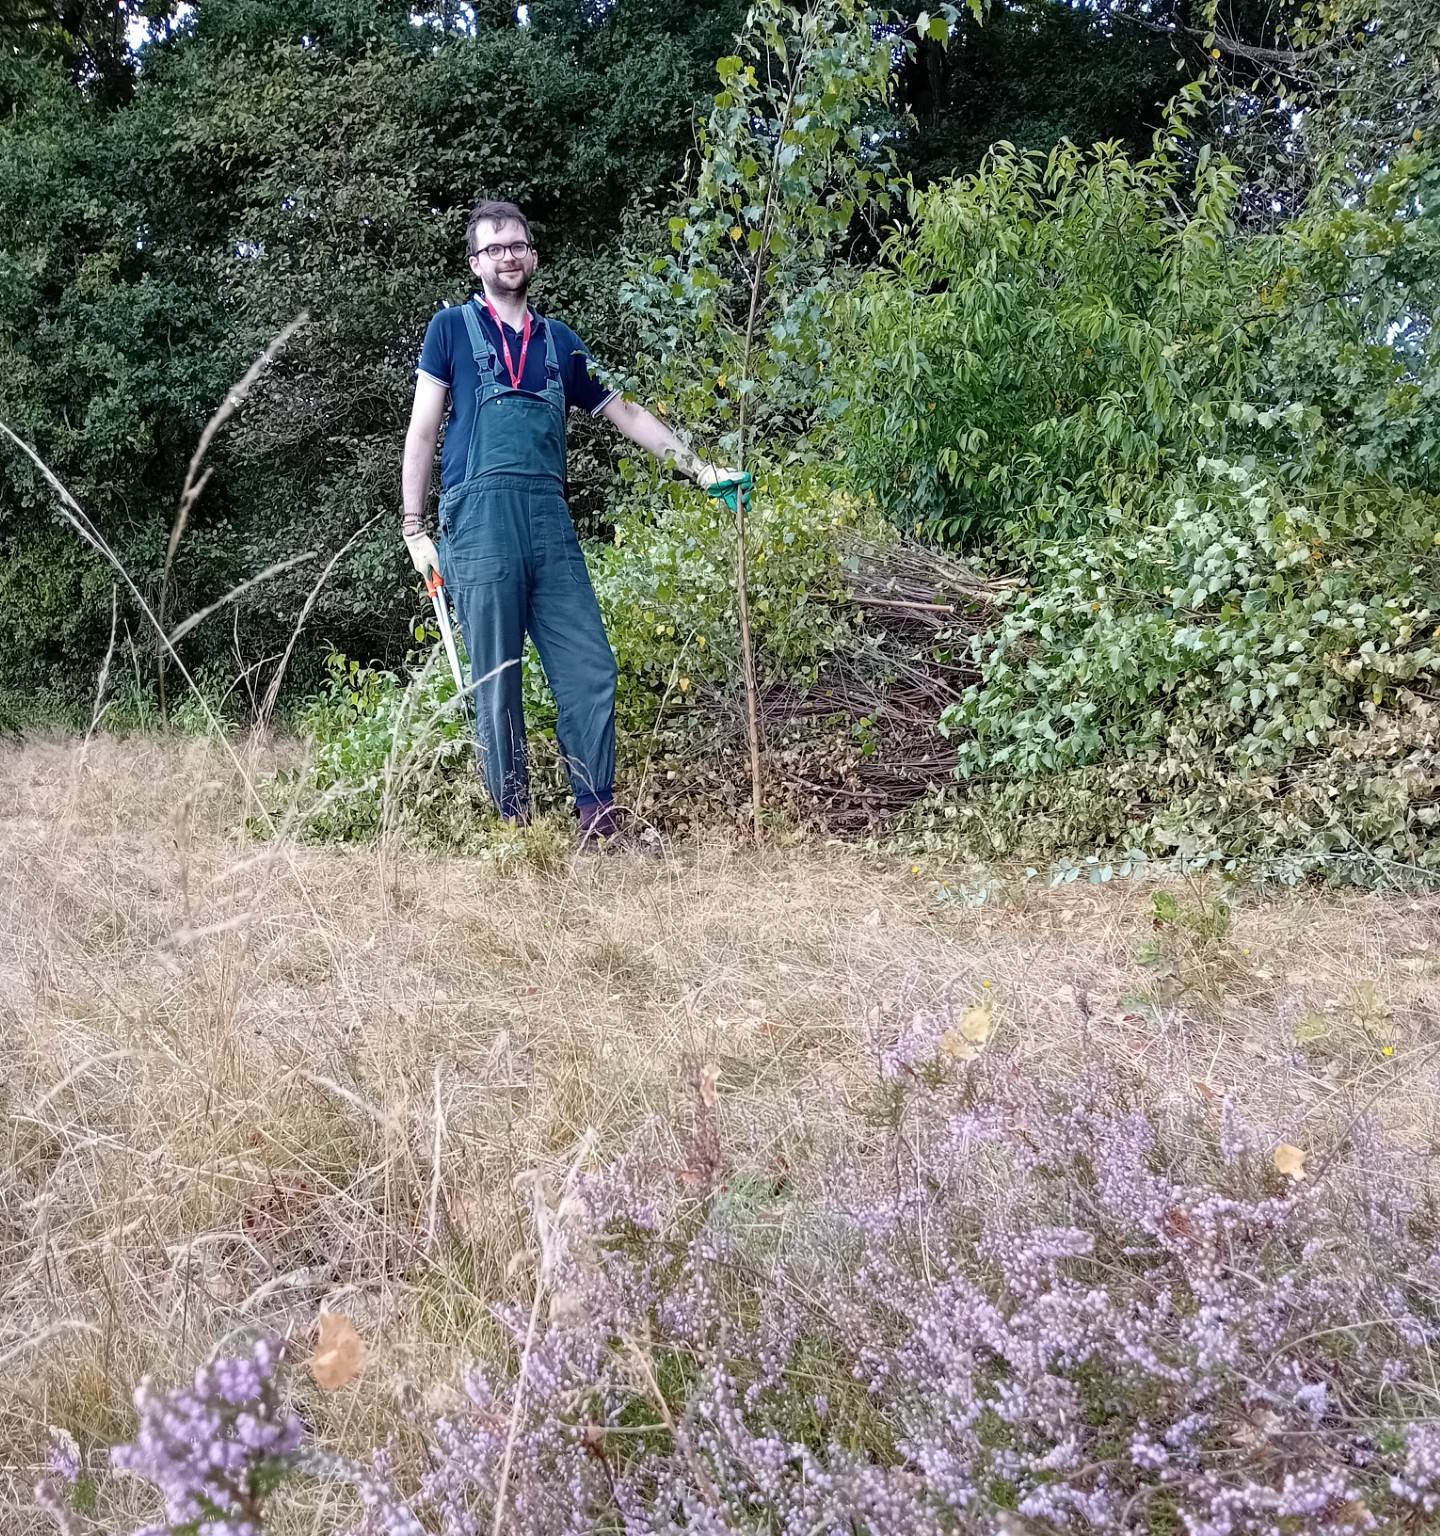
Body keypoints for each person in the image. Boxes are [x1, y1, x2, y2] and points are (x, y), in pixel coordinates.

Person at [401, 199, 738, 843]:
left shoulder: (562, 344)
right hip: (479, 521)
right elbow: (422, 431)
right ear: (476, 262)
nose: (509, 255)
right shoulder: (449, 330)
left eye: (518, 245)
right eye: (495, 247)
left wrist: (701, 469)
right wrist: (416, 527)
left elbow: (630, 414)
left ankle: (597, 817)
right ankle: (516, 825)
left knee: (590, 667)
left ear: (532, 255)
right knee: (498, 679)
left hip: (549, 522)